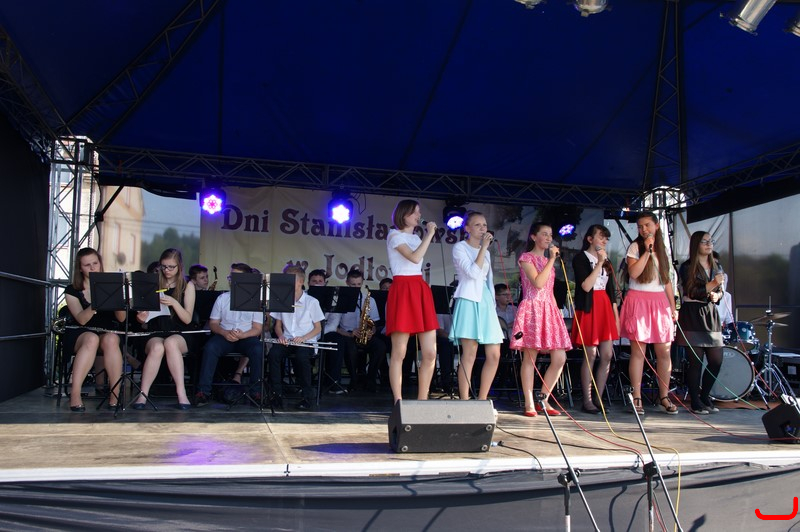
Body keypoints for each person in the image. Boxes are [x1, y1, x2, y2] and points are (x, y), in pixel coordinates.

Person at [619, 211, 679, 416]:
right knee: (639, 352)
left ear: (657, 226)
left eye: (647, 225)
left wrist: (673, 307)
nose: (643, 229)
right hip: (638, 299)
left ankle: (664, 396)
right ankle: (636, 397)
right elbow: (634, 273)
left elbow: (667, 281)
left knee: (664, 351)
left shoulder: (664, 250)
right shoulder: (635, 247)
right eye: (640, 226)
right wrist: (647, 251)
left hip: (659, 301)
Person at [510, 222, 571, 417]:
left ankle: (543, 398)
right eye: (544, 234)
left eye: (550, 235)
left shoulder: (548, 262)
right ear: (533, 237)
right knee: (531, 357)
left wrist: (556, 313)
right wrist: (551, 260)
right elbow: (537, 283)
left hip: (549, 309)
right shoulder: (526, 258)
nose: (548, 238)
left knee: (560, 358)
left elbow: (549, 290)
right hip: (532, 308)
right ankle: (529, 402)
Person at [385, 199, 439, 403]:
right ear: (404, 214)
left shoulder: (416, 237)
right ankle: (398, 400)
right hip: (403, 288)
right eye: (415, 212)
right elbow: (414, 258)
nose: (419, 215)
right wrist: (429, 234)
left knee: (430, 352)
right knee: (399, 351)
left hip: (419, 287)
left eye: (419, 212)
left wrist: (425, 236)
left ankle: (422, 400)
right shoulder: (394, 235)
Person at [449, 212, 504, 400]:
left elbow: (488, 280)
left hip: (485, 300)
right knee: (469, 353)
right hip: (468, 299)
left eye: (484, 225)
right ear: (467, 228)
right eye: (478, 225)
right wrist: (484, 248)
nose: (483, 228)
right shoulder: (460, 248)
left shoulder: (485, 252)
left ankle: (482, 399)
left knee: (494, 354)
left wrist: (492, 303)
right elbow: (472, 273)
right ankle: (464, 400)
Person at [63, 248, 126, 412]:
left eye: (95, 263)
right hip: (81, 333)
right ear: (80, 268)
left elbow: (121, 319)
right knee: (92, 338)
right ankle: (75, 394)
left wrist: (117, 297)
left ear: (100, 263)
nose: (92, 268)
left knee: (112, 339)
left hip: (106, 331)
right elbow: (81, 319)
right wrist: (98, 301)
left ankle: (115, 395)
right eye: (87, 265)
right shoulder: (72, 290)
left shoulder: (111, 285)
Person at [133, 248, 196, 410]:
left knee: (170, 343)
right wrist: (141, 317)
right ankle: (143, 394)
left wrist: (174, 302)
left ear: (179, 266)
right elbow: (143, 320)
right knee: (157, 347)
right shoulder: (153, 283)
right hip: (156, 330)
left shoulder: (187, 285)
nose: (167, 270)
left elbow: (188, 319)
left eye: (171, 267)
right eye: (164, 266)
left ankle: (181, 392)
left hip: (180, 332)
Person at [193, 263, 264, 407]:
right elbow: (213, 323)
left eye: (235, 277)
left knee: (258, 349)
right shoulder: (222, 298)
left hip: (246, 337)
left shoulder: (255, 300)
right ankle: (203, 392)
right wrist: (225, 333)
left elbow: (257, 328)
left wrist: (243, 335)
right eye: (230, 277)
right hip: (224, 336)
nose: (231, 280)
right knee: (210, 348)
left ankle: (256, 392)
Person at [571, 225, 620, 415]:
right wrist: (599, 263)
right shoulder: (580, 258)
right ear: (590, 239)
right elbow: (585, 286)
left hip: (605, 306)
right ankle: (587, 399)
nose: (604, 241)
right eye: (601, 237)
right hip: (589, 307)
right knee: (590, 354)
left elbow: (611, 292)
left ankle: (599, 396)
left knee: (607, 354)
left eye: (606, 238)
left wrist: (616, 317)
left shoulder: (607, 261)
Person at [677, 232, 725, 414]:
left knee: (716, 360)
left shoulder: (717, 266)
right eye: (704, 241)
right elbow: (692, 291)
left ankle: (705, 395)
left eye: (711, 241)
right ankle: (695, 401)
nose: (709, 244)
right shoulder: (687, 267)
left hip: (710, 314)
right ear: (696, 244)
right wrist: (712, 284)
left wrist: (717, 295)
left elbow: (720, 290)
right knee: (695, 362)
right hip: (692, 314)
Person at [268, 266, 325, 410]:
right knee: (274, 354)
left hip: (306, 342)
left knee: (301, 357)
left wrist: (303, 338)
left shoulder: (312, 302)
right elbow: (277, 326)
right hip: (287, 340)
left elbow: (318, 328)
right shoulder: (281, 299)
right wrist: (281, 336)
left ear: (300, 281)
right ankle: (276, 395)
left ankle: (307, 397)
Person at [325, 267, 386, 393]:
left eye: (359, 284)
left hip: (364, 333)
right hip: (346, 334)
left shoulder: (369, 300)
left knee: (381, 346)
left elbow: (373, 322)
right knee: (350, 347)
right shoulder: (339, 299)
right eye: (353, 285)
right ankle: (354, 380)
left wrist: (371, 331)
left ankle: (370, 379)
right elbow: (333, 326)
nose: (356, 287)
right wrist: (349, 334)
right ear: (347, 283)